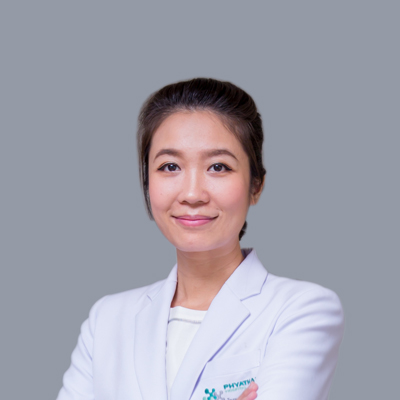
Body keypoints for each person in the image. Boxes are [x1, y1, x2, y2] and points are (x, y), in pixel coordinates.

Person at [57, 78, 344, 400]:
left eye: (218, 167)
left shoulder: (302, 309)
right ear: (147, 183)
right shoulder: (107, 319)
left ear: (256, 186)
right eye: (170, 166)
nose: (192, 194)